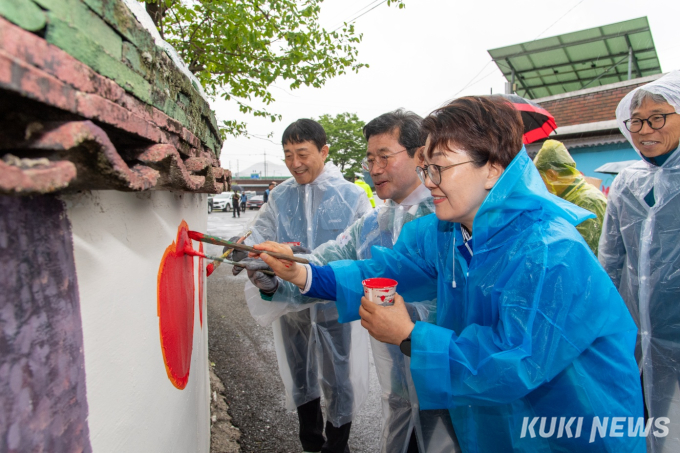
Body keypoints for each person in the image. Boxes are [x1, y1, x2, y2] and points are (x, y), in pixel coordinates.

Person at [257, 96, 644, 452]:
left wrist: (410, 336)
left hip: (574, 426)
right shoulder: (445, 233)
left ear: (492, 169)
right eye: (426, 168)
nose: (428, 182)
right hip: (501, 420)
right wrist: (303, 273)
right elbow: (382, 270)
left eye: (439, 168)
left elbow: (512, 360)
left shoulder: (548, 252)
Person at [243, 109, 459, 453]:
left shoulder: (450, 218)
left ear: (420, 154)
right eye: (370, 158)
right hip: (400, 383)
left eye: (384, 157)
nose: (373, 169)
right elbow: (326, 261)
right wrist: (280, 278)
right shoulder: (376, 223)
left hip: (451, 376)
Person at [228, 119, 372, 453]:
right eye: (288, 154)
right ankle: (310, 442)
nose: (295, 163)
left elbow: (361, 248)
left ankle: (338, 445)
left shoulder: (351, 196)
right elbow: (260, 231)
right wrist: (245, 246)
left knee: (339, 374)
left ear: (323, 151)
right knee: (301, 374)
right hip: (291, 304)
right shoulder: (279, 196)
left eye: (302, 153)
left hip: (333, 303)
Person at [599, 70, 680, 453]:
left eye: (658, 116)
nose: (645, 128)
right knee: (644, 421)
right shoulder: (627, 183)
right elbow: (610, 260)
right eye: (636, 120)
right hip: (634, 336)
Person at [533, 139, 608, 256]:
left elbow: (584, 252)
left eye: (540, 178)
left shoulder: (588, 201)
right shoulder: (569, 198)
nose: (540, 185)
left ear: (551, 175)